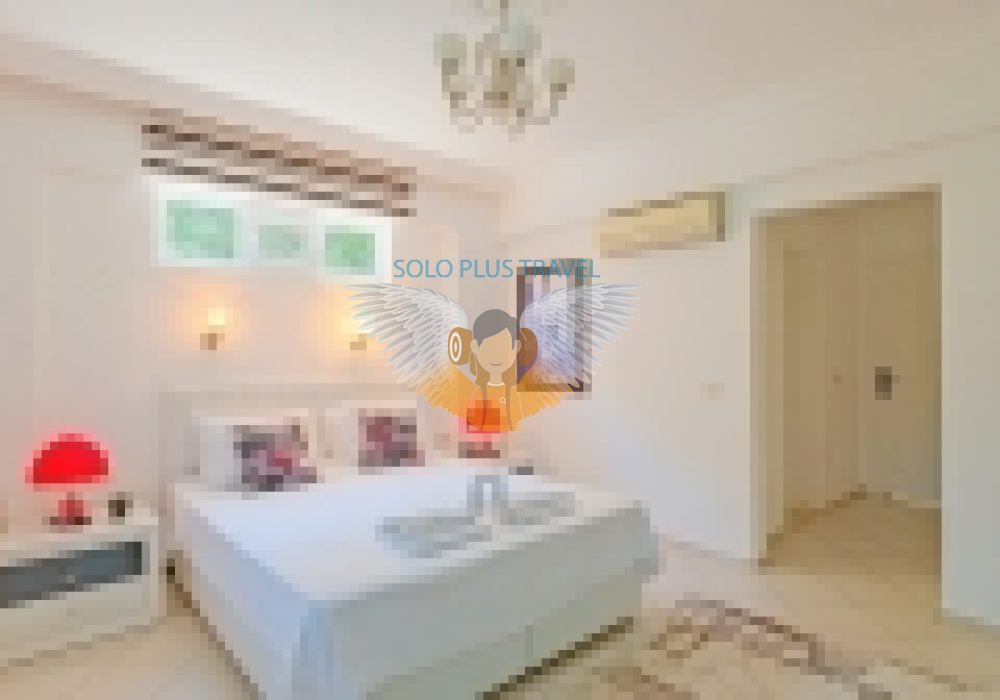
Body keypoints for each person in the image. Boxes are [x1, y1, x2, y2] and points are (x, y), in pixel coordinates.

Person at [466, 309, 524, 433]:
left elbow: (518, 425)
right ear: (475, 347)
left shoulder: (512, 394)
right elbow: (472, 425)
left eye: (503, 348)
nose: (496, 356)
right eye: (490, 349)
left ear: (516, 347)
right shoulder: (479, 393)